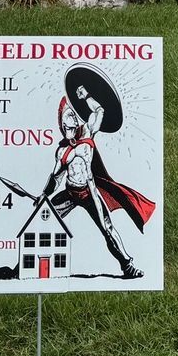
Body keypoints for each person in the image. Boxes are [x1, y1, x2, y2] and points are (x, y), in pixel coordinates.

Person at [41, 82, 153, 279]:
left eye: (75, 115)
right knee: (43, 220)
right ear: (62, 121)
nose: (74, 118)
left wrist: (85, 96)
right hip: (70, 193)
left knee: (107, 229)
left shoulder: (87, 133)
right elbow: (55, 178)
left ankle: (128, 266)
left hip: (89, 192)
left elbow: (99, 111)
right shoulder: (61, 151)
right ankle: (25, 265)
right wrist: (44, 195)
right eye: (69, 115)